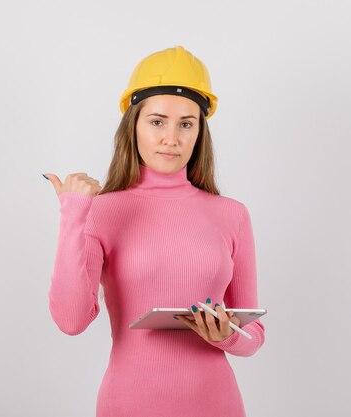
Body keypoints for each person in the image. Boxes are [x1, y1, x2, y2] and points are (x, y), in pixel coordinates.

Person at [43, 45, 265, 417]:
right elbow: (71, 321)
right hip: (129, 403)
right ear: (134, 124)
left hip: (216, 404)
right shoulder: (101, 210)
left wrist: (226, 334)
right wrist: (72, 214)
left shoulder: (232, 215)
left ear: (199, 131)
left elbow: (254, 338)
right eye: (157, 121)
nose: (171, 138)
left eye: (186, 124)